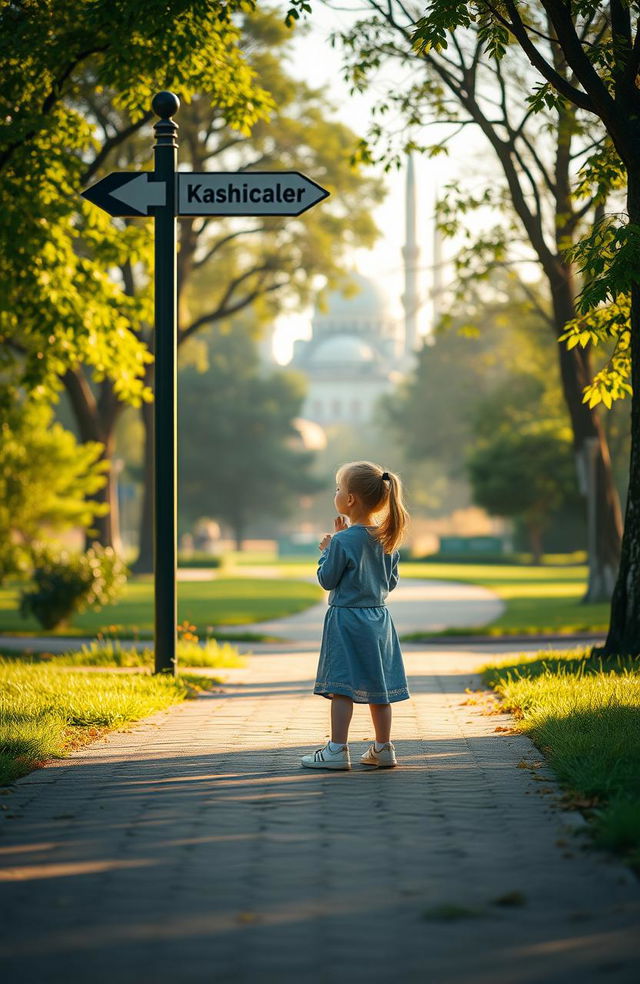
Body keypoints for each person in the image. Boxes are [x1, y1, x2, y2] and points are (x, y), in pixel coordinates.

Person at [301, 460, 410, 771]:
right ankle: (383, 747)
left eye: (339, 489)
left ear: (350, 500)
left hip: (346, 620)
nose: (335, 493)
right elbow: (389, 583)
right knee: (380, 687)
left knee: (341, 686)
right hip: (379, 620)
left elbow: (327, 580)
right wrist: (340, 542)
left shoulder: (341, 542)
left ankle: (337, 750)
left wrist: (327, 549)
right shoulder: (387, 538)